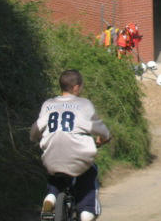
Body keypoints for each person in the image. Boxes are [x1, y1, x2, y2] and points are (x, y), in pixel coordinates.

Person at [30, 69, 111, 221]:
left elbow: (35, 131)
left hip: (51, 156)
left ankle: (50, 197)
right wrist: (104, 138)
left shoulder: (48, 104)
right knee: (89, 172)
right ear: (76, 87)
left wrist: (38, 139)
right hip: (78, 156)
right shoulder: (84, 104)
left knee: (55, 174)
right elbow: (102, 131)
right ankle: (87, 211)